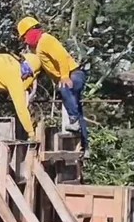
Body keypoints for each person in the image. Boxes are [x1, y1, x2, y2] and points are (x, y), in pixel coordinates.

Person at [17, 16, 88, 152]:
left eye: (24, 37)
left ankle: (73, 120)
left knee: (65, 87)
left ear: (31, 31)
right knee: (77, 111)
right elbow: (39, 69)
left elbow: (60, 57)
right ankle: (85, 147)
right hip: (66, 75)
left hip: (74, 73)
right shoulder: (36, 49)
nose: (25, 41)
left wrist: (65, 76)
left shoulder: (46, 40)